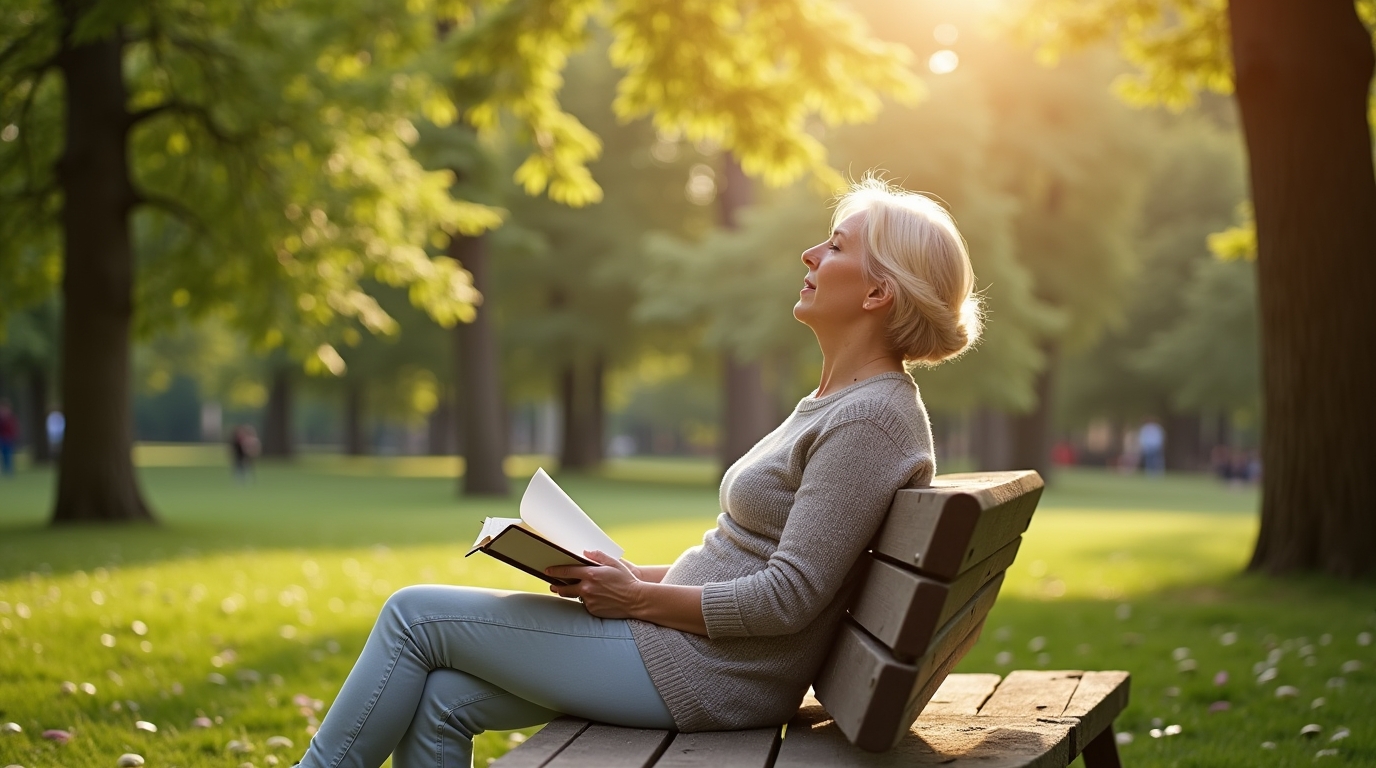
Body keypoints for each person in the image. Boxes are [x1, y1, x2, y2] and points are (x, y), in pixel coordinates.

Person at [295, 177, 983, 768]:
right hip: (685, 651)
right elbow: (749, 562)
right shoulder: (841, 405)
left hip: (711, 674)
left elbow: (787, 597)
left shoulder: (871, 420)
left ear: (876, 294)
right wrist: (614, 578)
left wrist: (637, 600)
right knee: (443, 700)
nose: (809, 252)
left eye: (835, 246)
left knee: (413, 616)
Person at [0, 399, 18, 476]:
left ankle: (9, 471)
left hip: (8, 438)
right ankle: (5, 471)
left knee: (8, 455)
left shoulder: (10, 418)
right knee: (3, 455)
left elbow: (13, 428)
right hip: (2, 438)